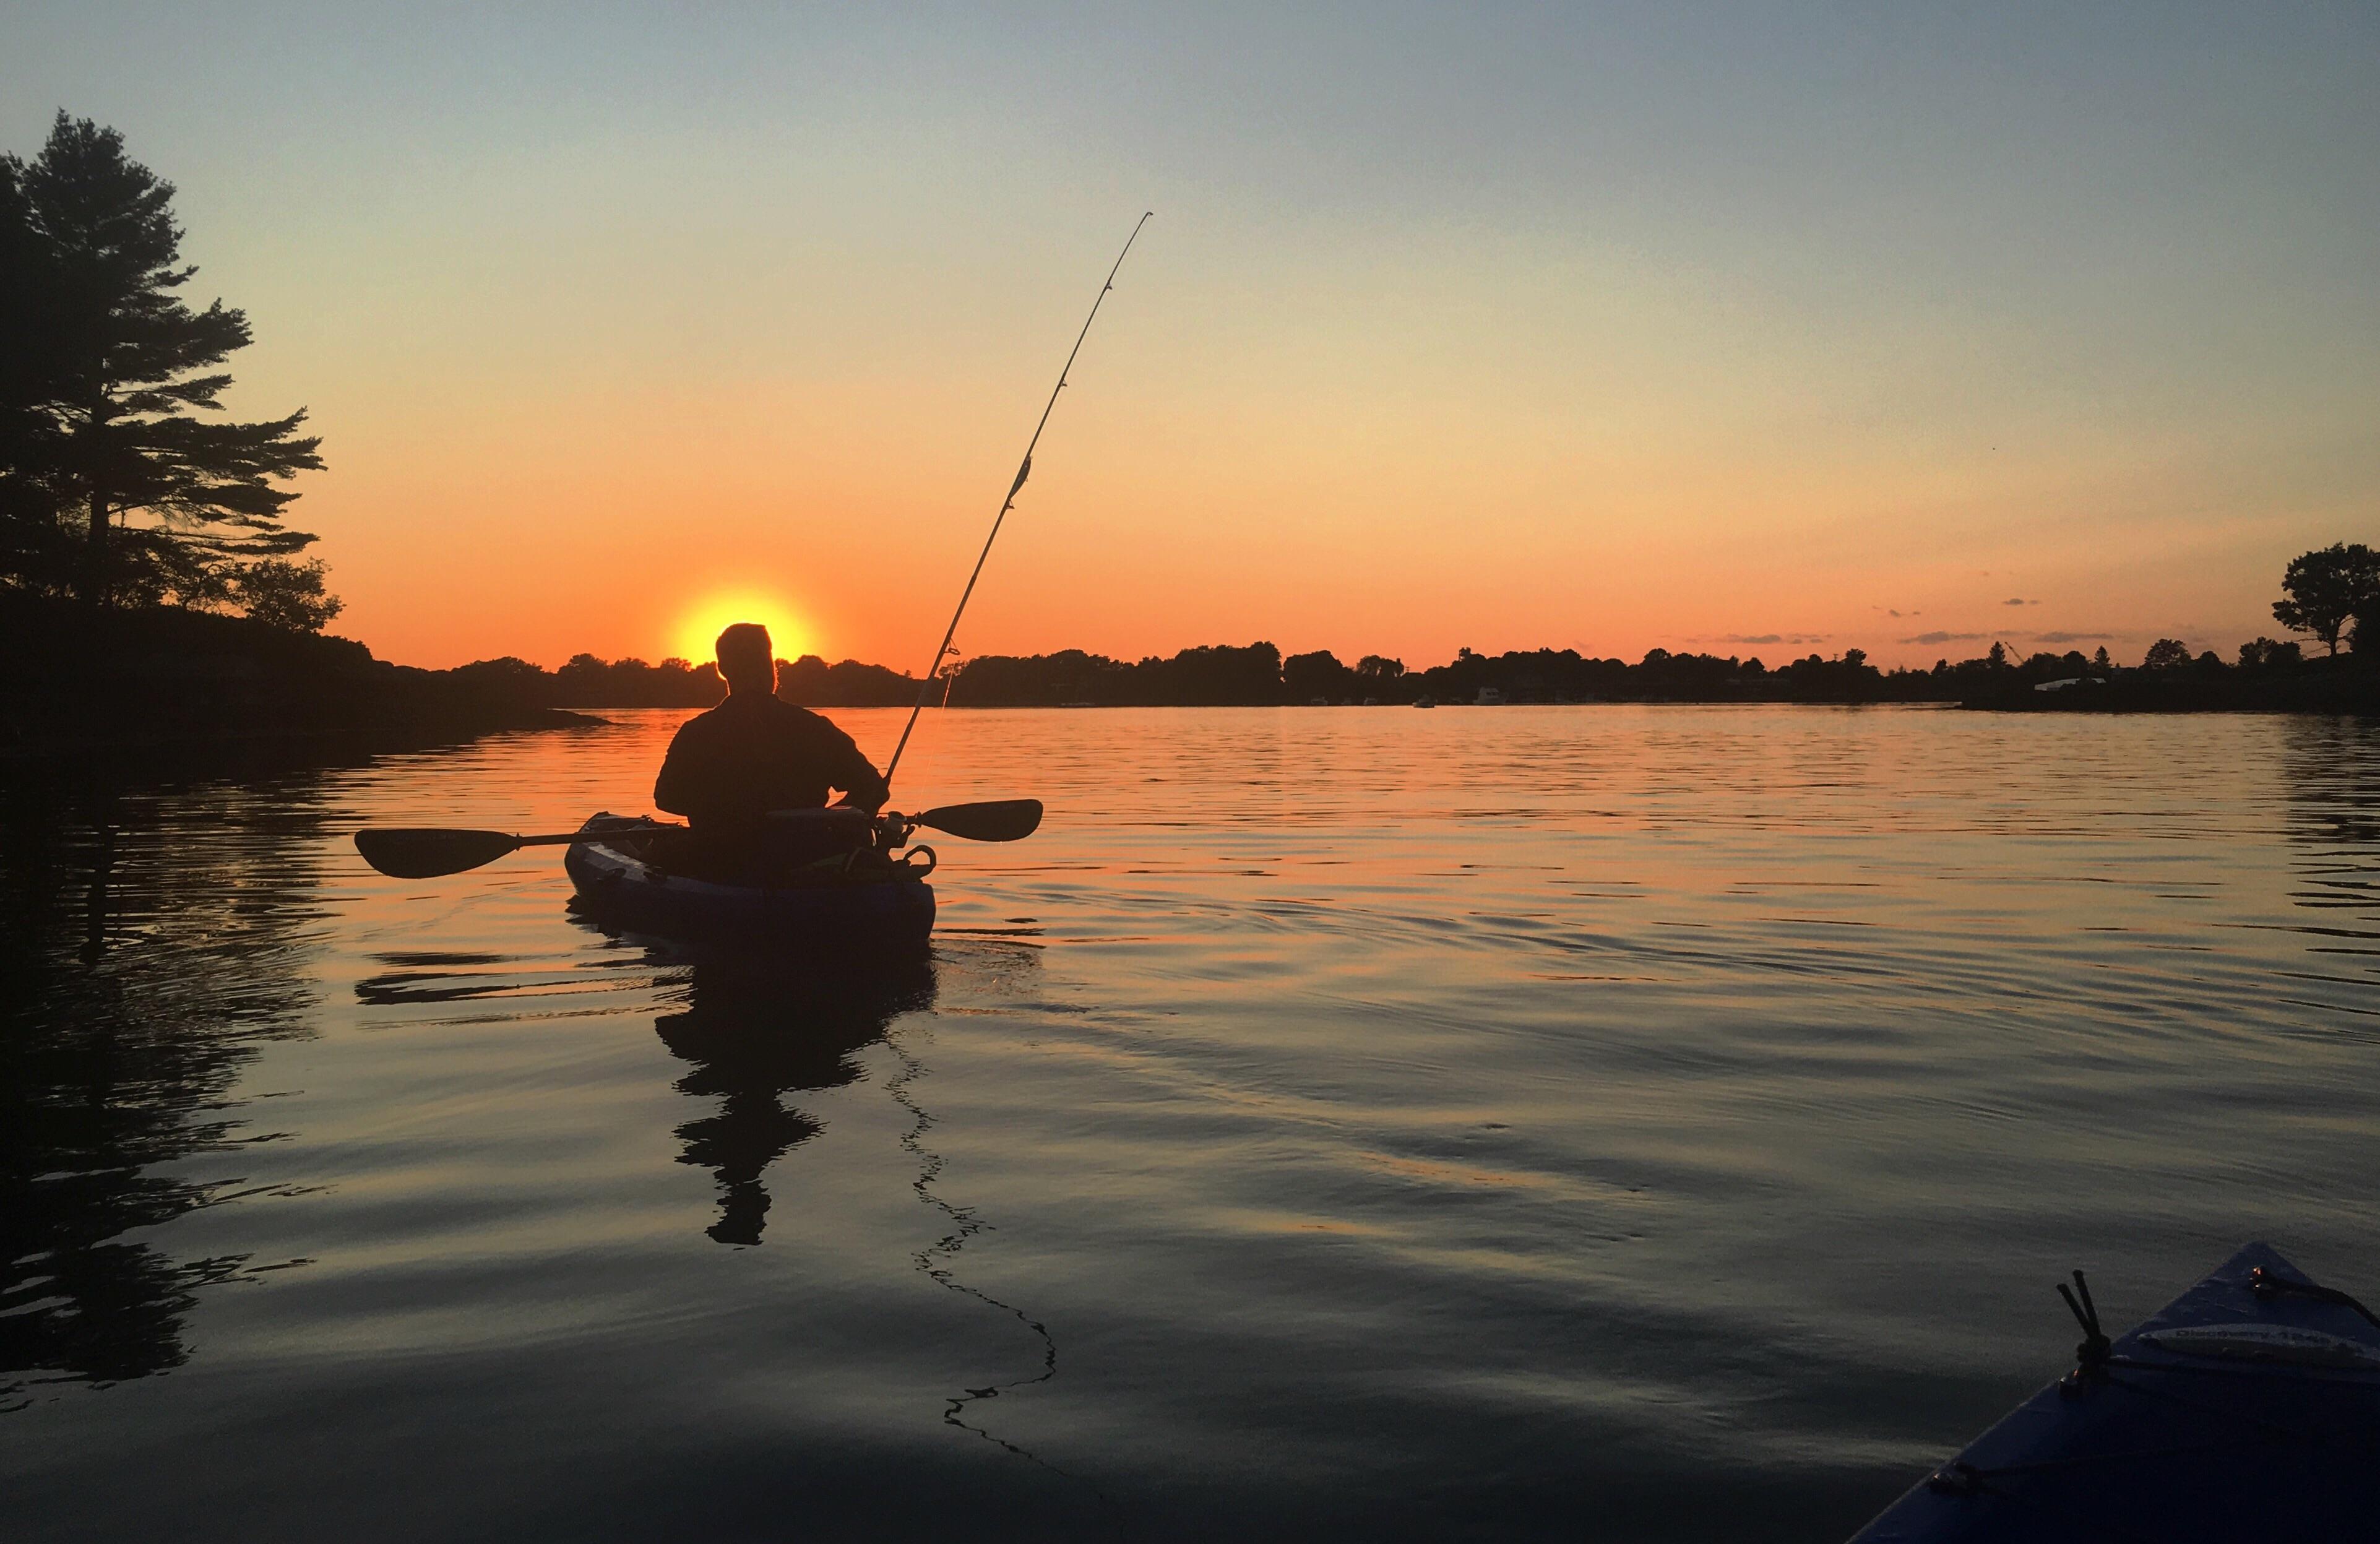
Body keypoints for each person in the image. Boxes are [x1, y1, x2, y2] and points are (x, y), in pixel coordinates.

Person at [654, 624, 889, 873]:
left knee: (654, 854)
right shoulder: (814, 728)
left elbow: (667, 799)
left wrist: (722, 814)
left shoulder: (696, 732)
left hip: (721, 863)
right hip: (805, 859)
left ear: (721, 669)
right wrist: (827, 826)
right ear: (771, 665)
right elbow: (874, 789)